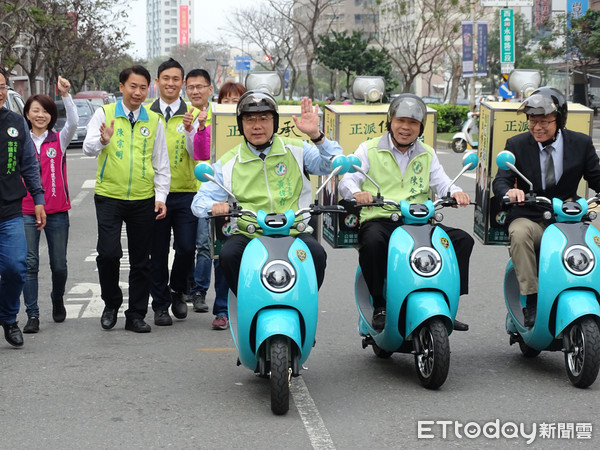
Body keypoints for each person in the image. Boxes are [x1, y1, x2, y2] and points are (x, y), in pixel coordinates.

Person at [338, 94, 473, 332]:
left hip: (418, 222)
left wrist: (457, 192)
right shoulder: (368, 148)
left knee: (462, 240)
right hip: (381, 219)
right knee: (371, 242)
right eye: (401, 121)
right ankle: (379, 305)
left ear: (420, 127)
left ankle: (450, 305)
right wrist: (357, 192)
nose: (406, 128)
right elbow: (347, 181)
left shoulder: (427, 153)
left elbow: (442, 183)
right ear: (390, 121)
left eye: (413, 123)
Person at [191, 90, 342, 298]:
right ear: (240, 124)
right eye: (250, 119)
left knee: (316, 254)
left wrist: (316, 136)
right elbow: (198, 202)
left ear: (275, 121)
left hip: (293, 229)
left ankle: (304, 302)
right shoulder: (229, 161)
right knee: (228, 255)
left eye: (264, 118)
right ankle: (247, 301)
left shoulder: (297, 149)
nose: (257, 126)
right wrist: (214, 206)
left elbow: (330, 164)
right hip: (249, 232)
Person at [492, 87, 600, 328]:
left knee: (595, 243)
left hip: (568, 221)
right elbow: (501, 180)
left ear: (559, 121)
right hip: (530, 218)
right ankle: (531, 301)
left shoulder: (580, 143)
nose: (536, 127)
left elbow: (596, 177)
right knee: (519, 234)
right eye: (532, 121)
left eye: (544, 122)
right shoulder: (517, 144)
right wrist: (509, 191)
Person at [83, 65, 170, 333]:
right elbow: (87, 149)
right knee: (108, 254)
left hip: (143, 198)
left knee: (142, 260)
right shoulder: (104, 114)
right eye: (133, 86)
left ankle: (136, 314)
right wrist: (103, 141)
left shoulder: (154, 121)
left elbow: (161, 163)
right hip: (109, 195)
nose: (138, 92)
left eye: (143, 87)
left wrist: (160, 196)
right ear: (121, 87)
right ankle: (111, 304)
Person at [184, 80, 246, 330]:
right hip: (220, 197)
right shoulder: (213, 126)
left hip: (252, 202)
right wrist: (199, 129)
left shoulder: (257, 126)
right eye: (226, 101)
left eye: (236, 101)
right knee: (219, 254)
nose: (231, 106)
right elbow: (200, 155)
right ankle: (221, 309)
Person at [21, 76, 78, 333]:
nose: (40, 115)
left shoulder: (60, 140)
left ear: (52, 115)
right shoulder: (20, 140)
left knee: (59, 264)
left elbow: (74, 122)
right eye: (36, 110)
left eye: (45, 111)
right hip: (25, 209)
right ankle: (32, 314)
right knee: (29, 263)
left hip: (57, 211)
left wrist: (65, 94)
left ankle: (57, 296)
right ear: (27, 114)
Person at [148, 58, 199, 327]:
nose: (170, 84)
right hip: (156, 195)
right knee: (156, 252)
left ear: (182, 83)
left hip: (186, 193)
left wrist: (191, 130)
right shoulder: (147, 114)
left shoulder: (192, 115)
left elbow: (198, 154)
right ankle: (159, 305)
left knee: (186, 247)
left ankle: (178, 290)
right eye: (165, 79)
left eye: (175, 79)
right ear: (157, 82)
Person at [0, 70, 46, 347]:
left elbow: (28, 164)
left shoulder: (16, 122)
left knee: (17, 267)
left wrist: (38, 198)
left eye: (2, 86)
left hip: (10, 210)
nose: (0, 92)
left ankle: (8, 318)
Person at [182, 68, 213, 315]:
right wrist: (191, 129)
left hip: (217, 189)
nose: (195, 91)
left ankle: (199, 290)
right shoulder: (183, 115)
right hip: (186, 189)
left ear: (209, 90)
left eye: (199, 86)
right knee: (185, 245)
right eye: (191, 87)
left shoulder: (223, 116)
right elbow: (193, 152)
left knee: (205, 244)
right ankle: (188, 284)